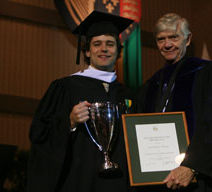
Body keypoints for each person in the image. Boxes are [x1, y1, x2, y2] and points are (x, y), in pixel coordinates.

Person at [133, 13, 212, 191]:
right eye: (161, 39)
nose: (167, 45)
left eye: (174, 37)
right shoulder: (150, 85)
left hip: (199, 178)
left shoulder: (209, 74)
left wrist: (192, 165)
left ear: (188, 39)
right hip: (161, 181)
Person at [27, 11, 134, 192]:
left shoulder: (129, 94)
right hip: (79, 181)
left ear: (118, 50)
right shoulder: (65, 87)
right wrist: (69, 122)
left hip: (119, 182)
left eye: (110, 44)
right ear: (86, 50)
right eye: (97, 44)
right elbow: (39, 133)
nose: (104, 49)